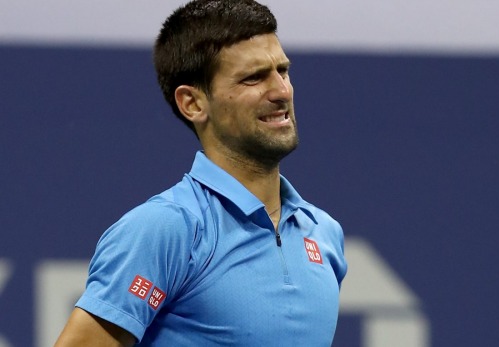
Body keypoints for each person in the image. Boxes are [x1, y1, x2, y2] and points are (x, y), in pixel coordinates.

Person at [54, 0, 347, 345]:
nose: (282, 91)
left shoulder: (325, 234)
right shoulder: (164, 229)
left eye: (282, 71)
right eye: (254, 78)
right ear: (192, 103)